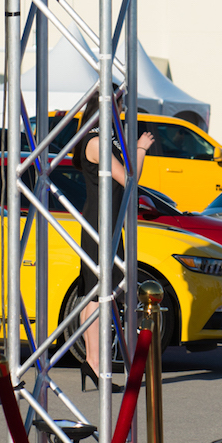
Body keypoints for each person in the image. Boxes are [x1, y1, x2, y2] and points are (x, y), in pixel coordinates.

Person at [73, 97, 155, 389]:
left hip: (107, 223)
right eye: (118, 104)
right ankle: (95, 362)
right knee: (99, 293)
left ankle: (93, 363)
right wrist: (141, 149)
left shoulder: (102, 139)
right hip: (100, 224)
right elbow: (129, 179)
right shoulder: (95, 141)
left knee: (96, 293)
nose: (121, 110)